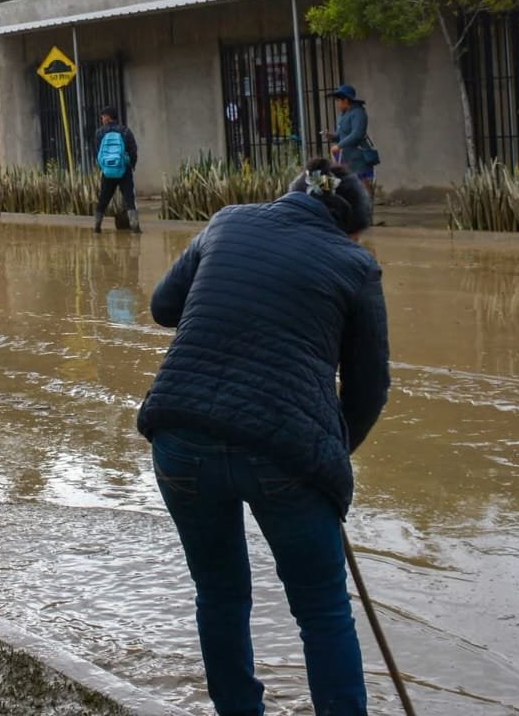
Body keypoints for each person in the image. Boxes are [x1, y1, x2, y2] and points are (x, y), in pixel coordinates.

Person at [138, 160, 387, 715]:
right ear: (351, 228)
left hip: (180, 433)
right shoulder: (355, 265)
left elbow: (163, 307)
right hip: (286, 457)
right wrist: (329, 453)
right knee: (322, 610)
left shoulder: (228, 222)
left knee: (219, 594)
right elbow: (369, 388)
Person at [92, 105, 141, 234]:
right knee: (129, 199)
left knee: (103, 199)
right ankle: (135, 227)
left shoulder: (99, 133)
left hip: (108, 172)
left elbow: (98, 153)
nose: (102, 119)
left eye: (103, 117)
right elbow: (133, 151)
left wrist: (104, 167)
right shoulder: (125, 131)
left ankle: (97, 227)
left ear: (108, 117)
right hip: (124, 170)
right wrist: (131, 165)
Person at [325, 84, 375, 197]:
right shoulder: (343, 115)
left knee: (363, 181)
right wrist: (332, 136)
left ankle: (368, 204)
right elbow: (340, 135)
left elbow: (357, 134)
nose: (337, 104)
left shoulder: (359, 113)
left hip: (358, 154)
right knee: (344, 181)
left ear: (346, 100)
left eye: (338, 100)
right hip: (345, 155)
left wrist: (339, 145)